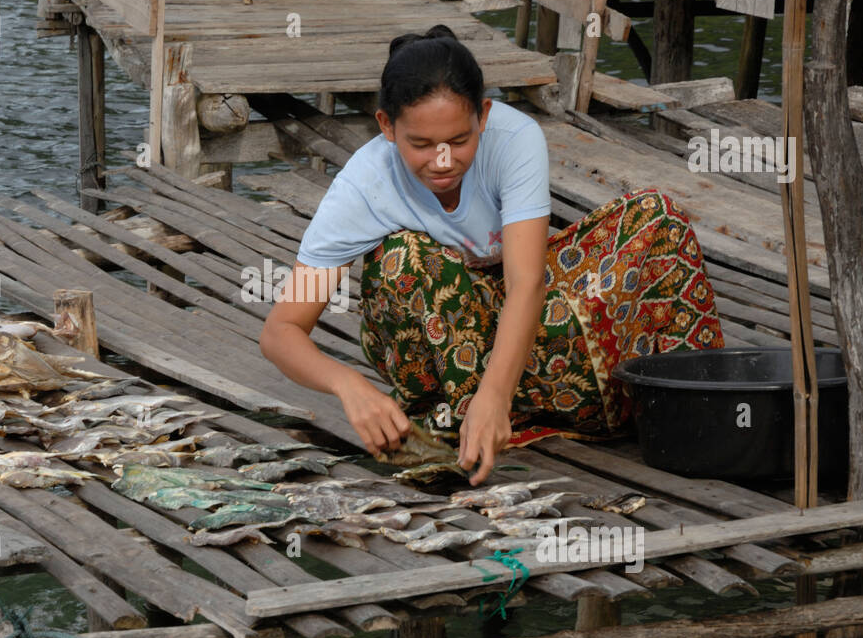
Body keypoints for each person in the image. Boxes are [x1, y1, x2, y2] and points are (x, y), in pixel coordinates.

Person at [259, 25, 725, 485]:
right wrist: (349, 386)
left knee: (656, 216)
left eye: (459, 141)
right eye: (420, 145)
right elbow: (281, 331)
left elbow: (527, 284)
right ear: (386, 126)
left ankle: (661, 405)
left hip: (523, 314)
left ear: (483, 115)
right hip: (447, 341)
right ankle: (460, 413)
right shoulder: (363, 184)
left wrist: (496, 394)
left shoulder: (514, 138)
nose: (442, 161)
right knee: (402, 254)